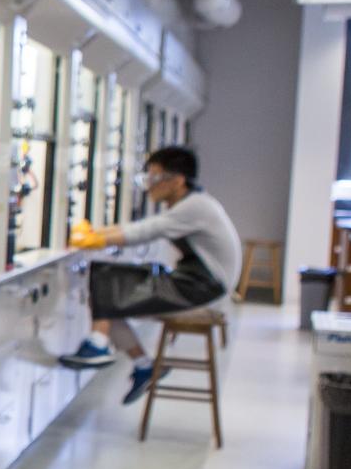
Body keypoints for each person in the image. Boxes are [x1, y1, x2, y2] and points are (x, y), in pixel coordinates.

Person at [61, 146, 242, 404]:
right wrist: (96, 234)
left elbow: (146, 231)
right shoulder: (193, 203)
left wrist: (96, 240)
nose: (149, 186)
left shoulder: (194, 207)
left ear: (178, 180)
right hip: (197, 283)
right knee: (106, 298)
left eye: (155, 178)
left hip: (204, 290)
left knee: (106, 277)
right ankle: (143, 365)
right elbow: (140, 227)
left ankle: (98, 346)